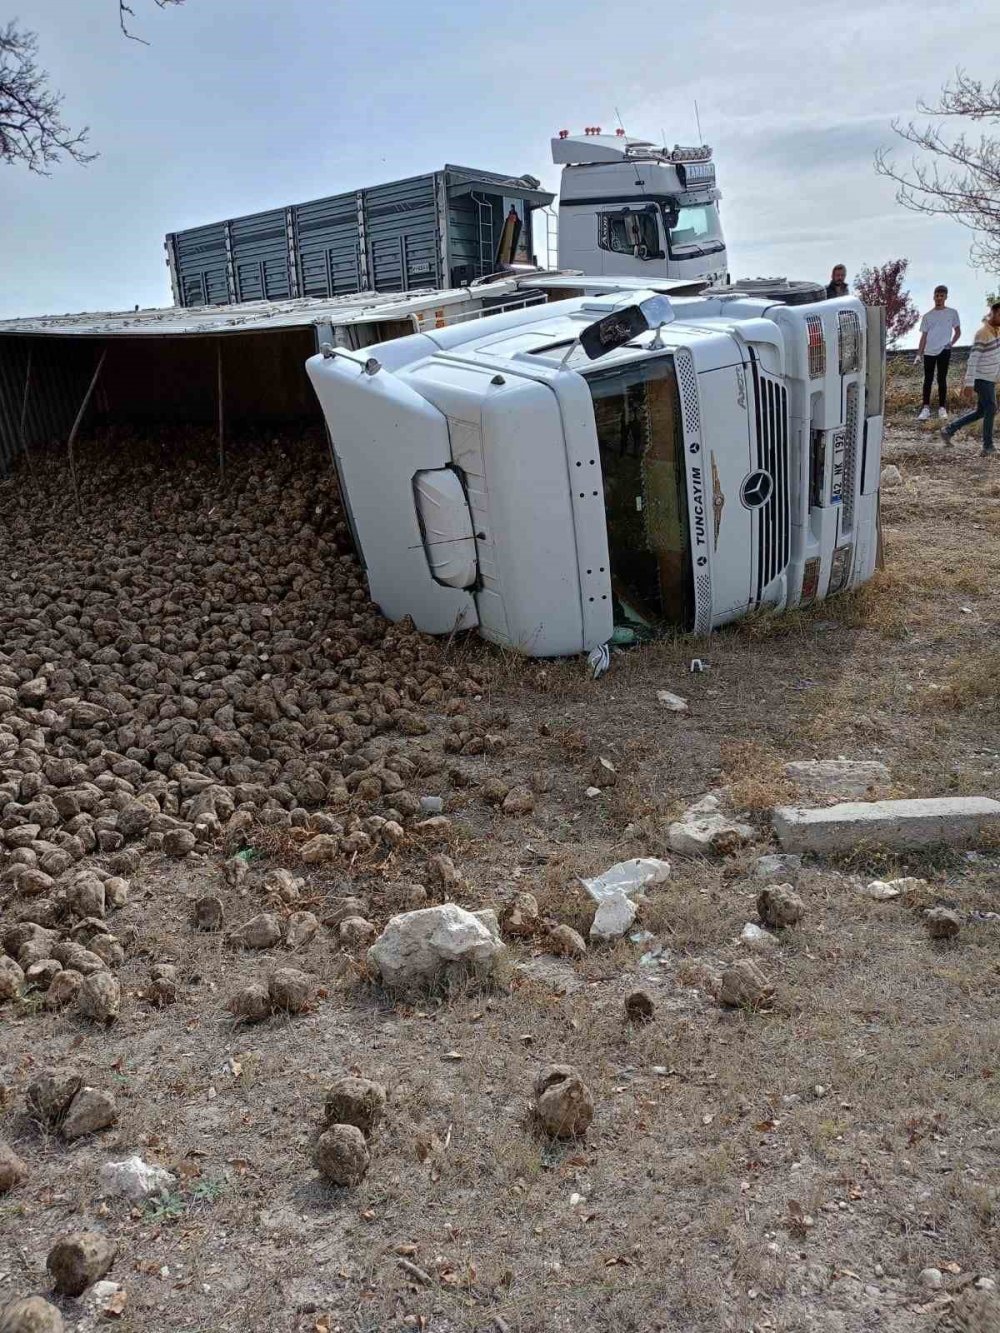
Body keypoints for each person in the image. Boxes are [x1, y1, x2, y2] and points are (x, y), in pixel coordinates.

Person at [941, 301, 1000, 456]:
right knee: (991, 408)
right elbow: (973, 359)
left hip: (990, 379)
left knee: (981, 412)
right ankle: (988, 447)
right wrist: (969, 383)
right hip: (981, 378)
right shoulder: (982, 334)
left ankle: (949, 430)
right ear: (993, 313)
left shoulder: (997, 331)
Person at [916, 285, 961, 420]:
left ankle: (942, 408)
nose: (939, 298)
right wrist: (918, 354)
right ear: (933, 297)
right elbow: (923, 337)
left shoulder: (952, 313)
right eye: (937, 295)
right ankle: (925, 408)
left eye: (942, 296)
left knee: (942, 379)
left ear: (946, 297)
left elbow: (958, 332)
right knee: (928, 380)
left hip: (944, 350)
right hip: (929, 351)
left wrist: (951, 343)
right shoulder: (927, 316)